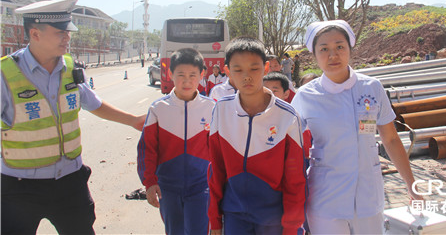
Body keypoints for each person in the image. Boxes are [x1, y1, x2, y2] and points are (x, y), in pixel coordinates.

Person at [1, 0, 146, 235]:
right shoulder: (5, 75)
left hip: (69, 182)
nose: (67, 38)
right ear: (35, 34)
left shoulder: (69, 68)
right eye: (60, 33)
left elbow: (93, 103)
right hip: (19, 188)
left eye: (68, 32)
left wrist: (133, 120)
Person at [291, 20, 422, 235]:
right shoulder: (306, 96)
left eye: (339, 47)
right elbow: (288, 142)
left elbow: (390, 139)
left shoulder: (371, 87)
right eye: (324, 49)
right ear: (314, 55)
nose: (333, 55)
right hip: (326, 197)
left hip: (368, 195)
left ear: (350, 50)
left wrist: (411, 186)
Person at [208, 37, 306, 235]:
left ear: (266, 67)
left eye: (254, 68)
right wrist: (215, 221)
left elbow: (295, 179)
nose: (247, 77)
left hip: (273, 219)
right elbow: (215, 169)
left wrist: (292, 228)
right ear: (227, 71)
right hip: (234, 214)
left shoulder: (287, 116)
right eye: (238, 70)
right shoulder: (221, 110)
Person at [138, 48, 215, 235]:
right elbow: (148, 149)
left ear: (202, 75)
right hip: (167, 187)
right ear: (170, 74)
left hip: (201, 186)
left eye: (192, 75)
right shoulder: (158, 108)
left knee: (199, 230)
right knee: (174, 231)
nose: (187, 81)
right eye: (181, 75)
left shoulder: (212, 108)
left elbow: (220, 150)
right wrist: (149, 182)